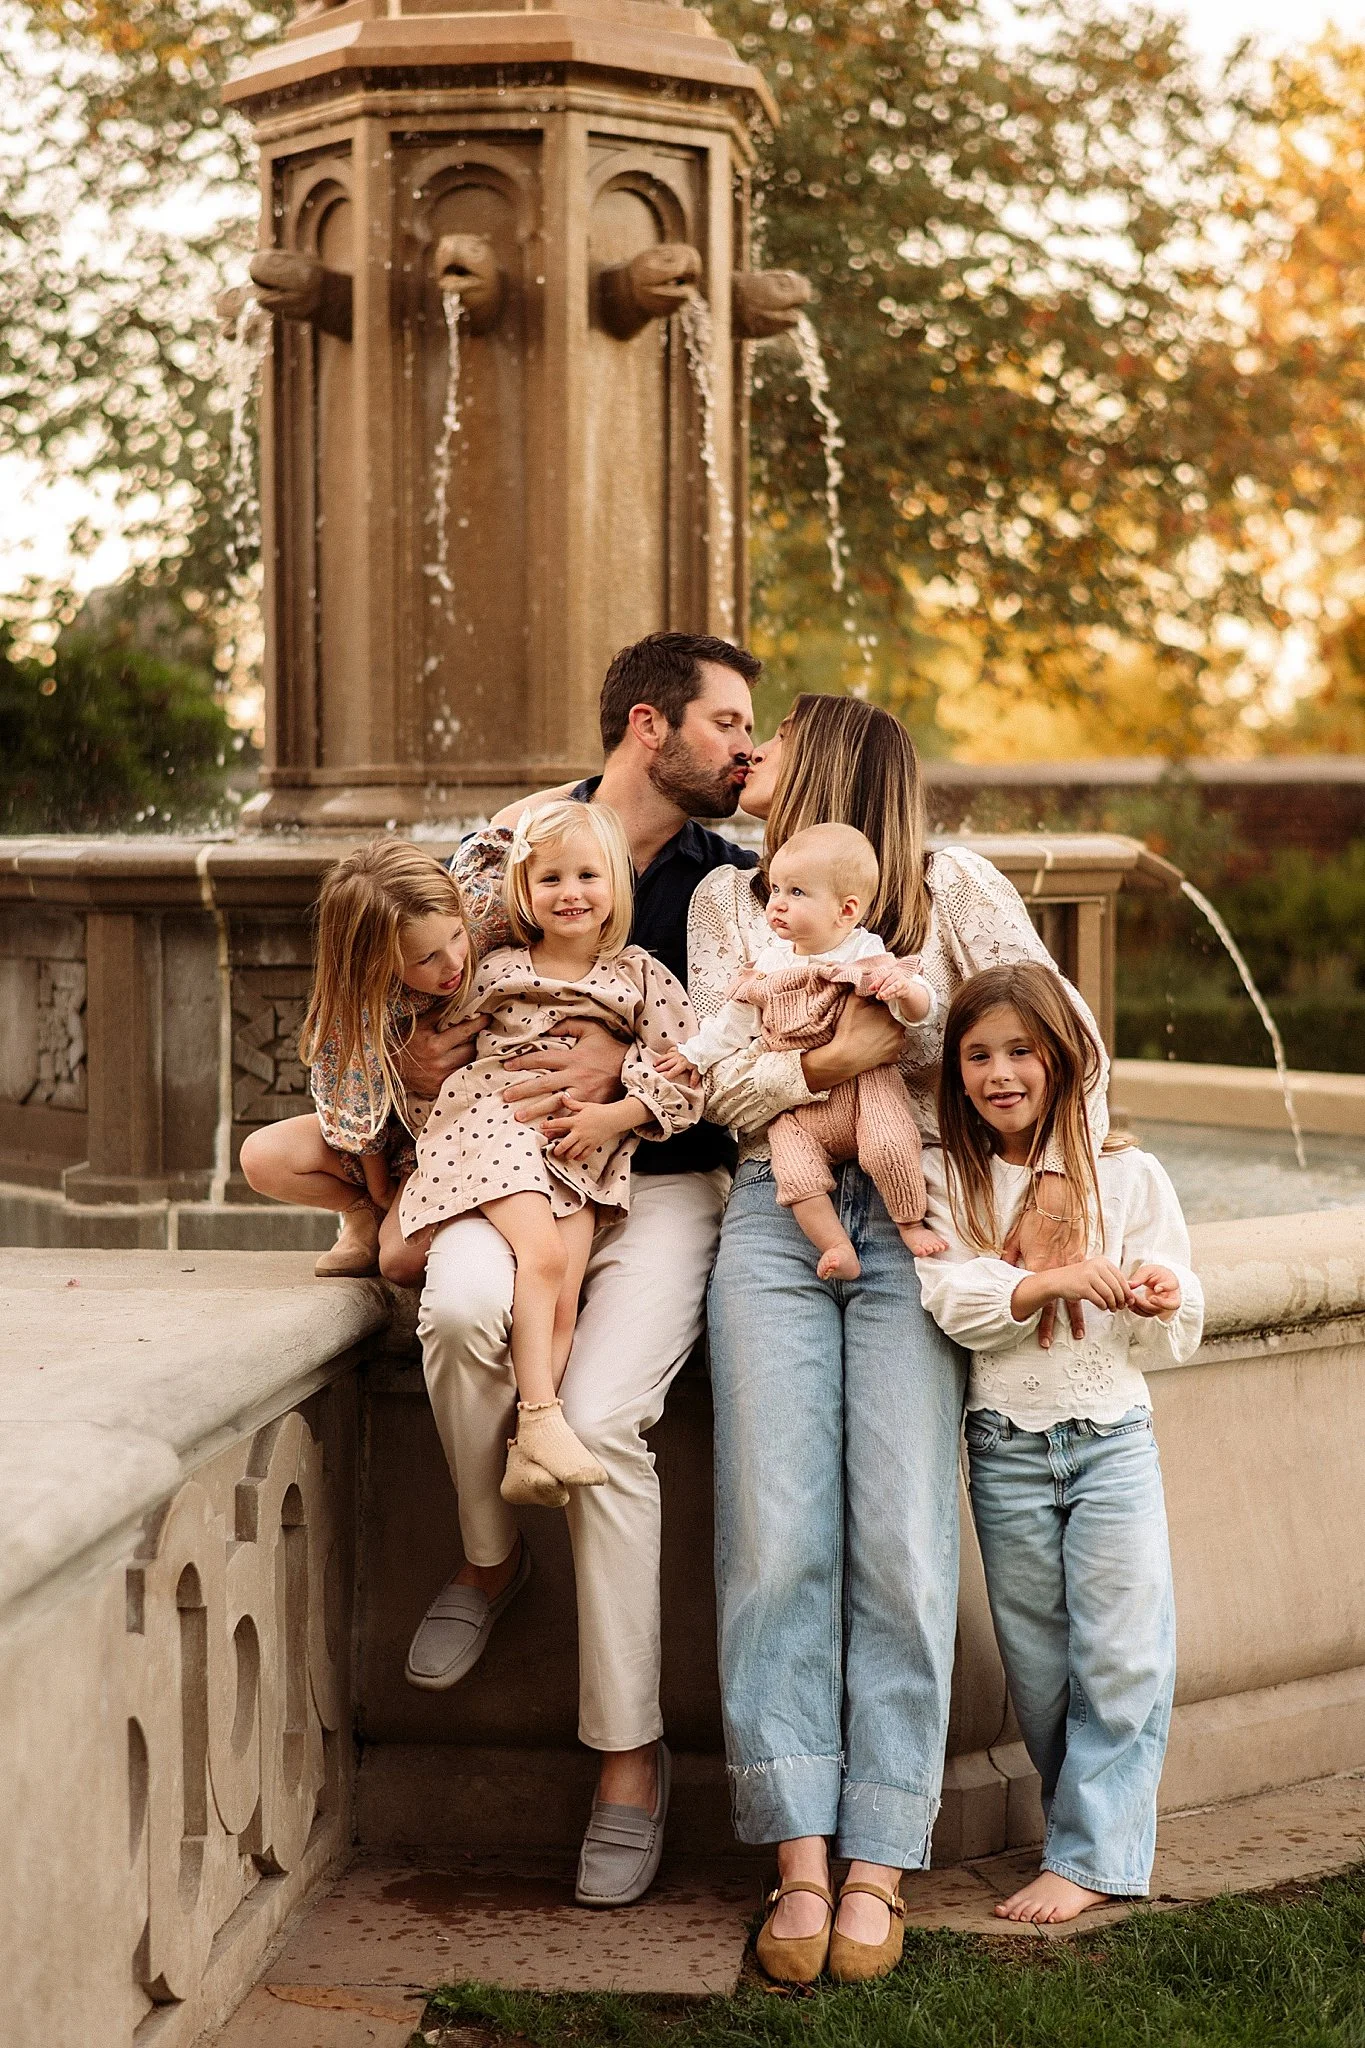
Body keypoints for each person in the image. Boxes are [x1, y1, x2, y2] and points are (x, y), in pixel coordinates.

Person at [692, 692, 1110, 1985]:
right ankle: (799, 1859)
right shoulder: (729, 903)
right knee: (772, 1530)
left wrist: (846, 1044)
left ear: (832, 771)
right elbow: (715, 1081)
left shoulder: (955, 885)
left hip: (921, 1221)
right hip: (777, 1217)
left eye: (776, 747)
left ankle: (880, 1855)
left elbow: (1064, 1042)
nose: (752, 763)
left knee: (903, 1534)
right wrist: (871, 1045)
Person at [397, 632, 760, 1909]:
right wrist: (425, 1061)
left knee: (603, 1421)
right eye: (727, 723)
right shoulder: (512, 847)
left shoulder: (732, 880)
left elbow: (740, 1037)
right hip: (516, 1168)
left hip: (662, 1183)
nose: (749, 748)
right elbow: (426, 986)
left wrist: (622, 1078)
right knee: (455, 1309)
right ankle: (491, 1555)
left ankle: (628, 1755)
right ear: (650, 726)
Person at [917, 962, 1202, 1924]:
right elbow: (953, 1301)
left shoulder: (1124, 1174)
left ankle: (1089, 1857)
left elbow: (1176, 1314)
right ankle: (1076, 1828)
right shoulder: (951, 1178)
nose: (1000, 1073)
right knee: (1038, 1668)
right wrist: (1045, 1282)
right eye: (977, 1055)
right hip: (1005, 1448)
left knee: (1121, 1655)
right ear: (955, 1072)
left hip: (1110, 1439)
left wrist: (1159, 1294)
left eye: (1020, 1052)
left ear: (1061, 1059)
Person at [397, 800, 702, 1506]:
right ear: (524, 894)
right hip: (496, 1124)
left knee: (561, 1301)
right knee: (541, 1259)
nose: (570, 893)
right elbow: (432, 1059)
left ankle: (529, 1448)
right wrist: (424, 1124)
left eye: (588, 875)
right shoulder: (497, 968)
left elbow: (689, 1079)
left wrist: (618, 1112)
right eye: (551, 879)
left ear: (617, 886)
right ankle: (540, 1416)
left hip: (580, 1155)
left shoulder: (640, 978)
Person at [659, 822, 944, 1278]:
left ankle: (909, 1223)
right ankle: (834, 1245)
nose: (778, 904)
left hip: (864, 1090)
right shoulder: (769, 965)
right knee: (794, 1172)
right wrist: (694, 1055)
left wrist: (906, 992)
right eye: (775, 889)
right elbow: (731, 1026)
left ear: (846, 910)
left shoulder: (865, 952)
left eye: (796, 892)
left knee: (890, 1144)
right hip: (796, 1108)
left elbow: (921, 1009)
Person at [238, 840, 475, 1279]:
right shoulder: (358, 1008)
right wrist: (380, 1189)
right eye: (427, 958)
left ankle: (398, 1219)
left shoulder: (478, 951)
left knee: (402, 1258)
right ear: (378, 963)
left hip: (446, 1139)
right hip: (384, 1147)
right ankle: (361, 1212)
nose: (454, 962)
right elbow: (357, 1106)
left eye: (457, 935)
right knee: (261, 1156)